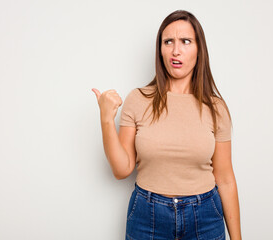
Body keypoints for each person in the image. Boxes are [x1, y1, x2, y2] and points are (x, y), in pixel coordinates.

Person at [92, 9, 242, 240]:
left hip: (205, 216)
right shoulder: (139, 99)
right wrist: (106, 119)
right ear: (160, 50)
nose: (176, 50)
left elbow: (225, 178)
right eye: (168, 41)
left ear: (199, 49)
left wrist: (237, 238)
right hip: (147, 215)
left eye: (185, 41)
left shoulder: (216, 107)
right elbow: (122, 170)